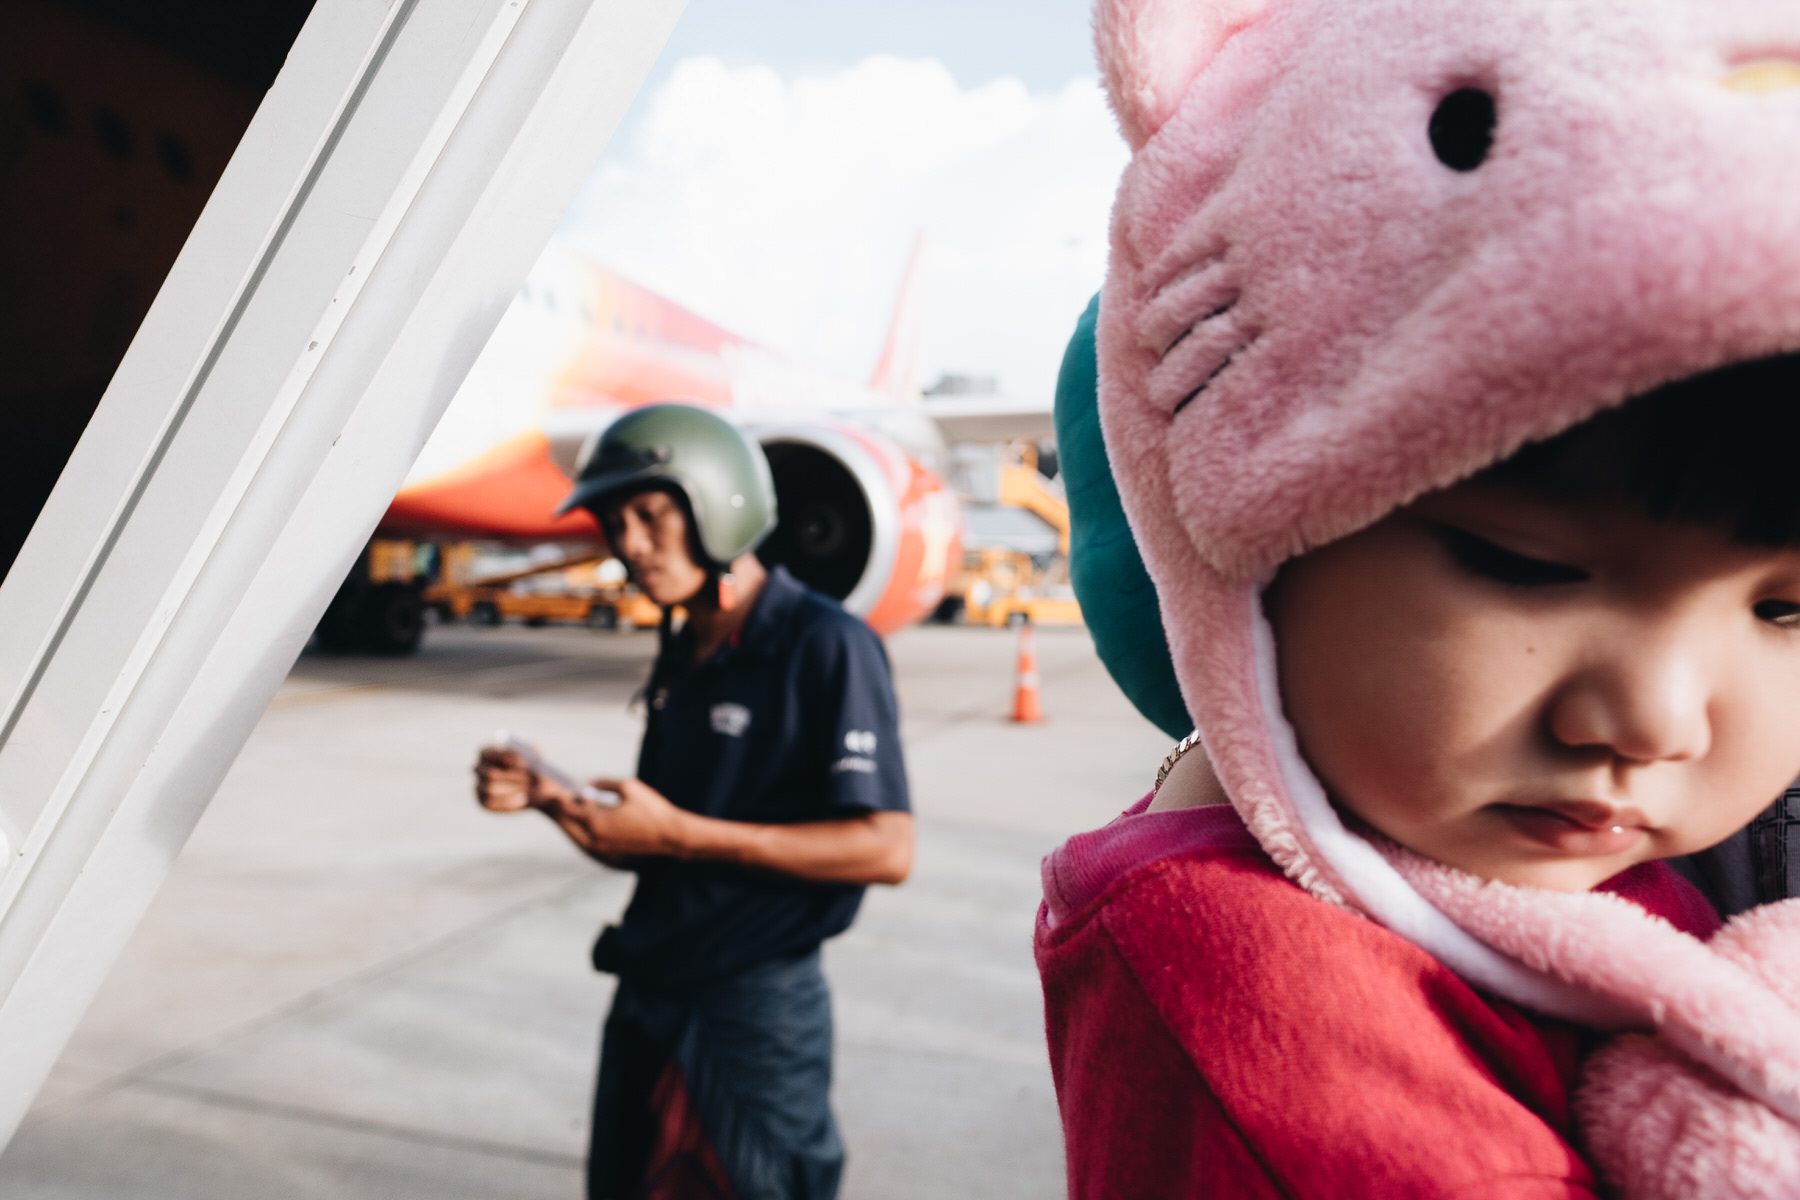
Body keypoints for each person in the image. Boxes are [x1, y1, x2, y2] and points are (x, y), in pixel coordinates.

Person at [1038, 0, 1800, 1196]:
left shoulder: (1510, 848)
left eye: (1786, 611)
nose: (1655, 720)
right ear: (1249, 555)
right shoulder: (1260, 983)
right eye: (1527, 566)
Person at [474, 403, 913, 1200]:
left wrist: (679, 835)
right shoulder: (684, 647)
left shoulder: (825, 643)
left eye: (650, 514)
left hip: (753, 1011)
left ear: (719, 502)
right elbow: (653, 840)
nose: (631, 546)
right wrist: (553, 794)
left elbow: (885, 848)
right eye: (616, 525)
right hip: (651, 988)